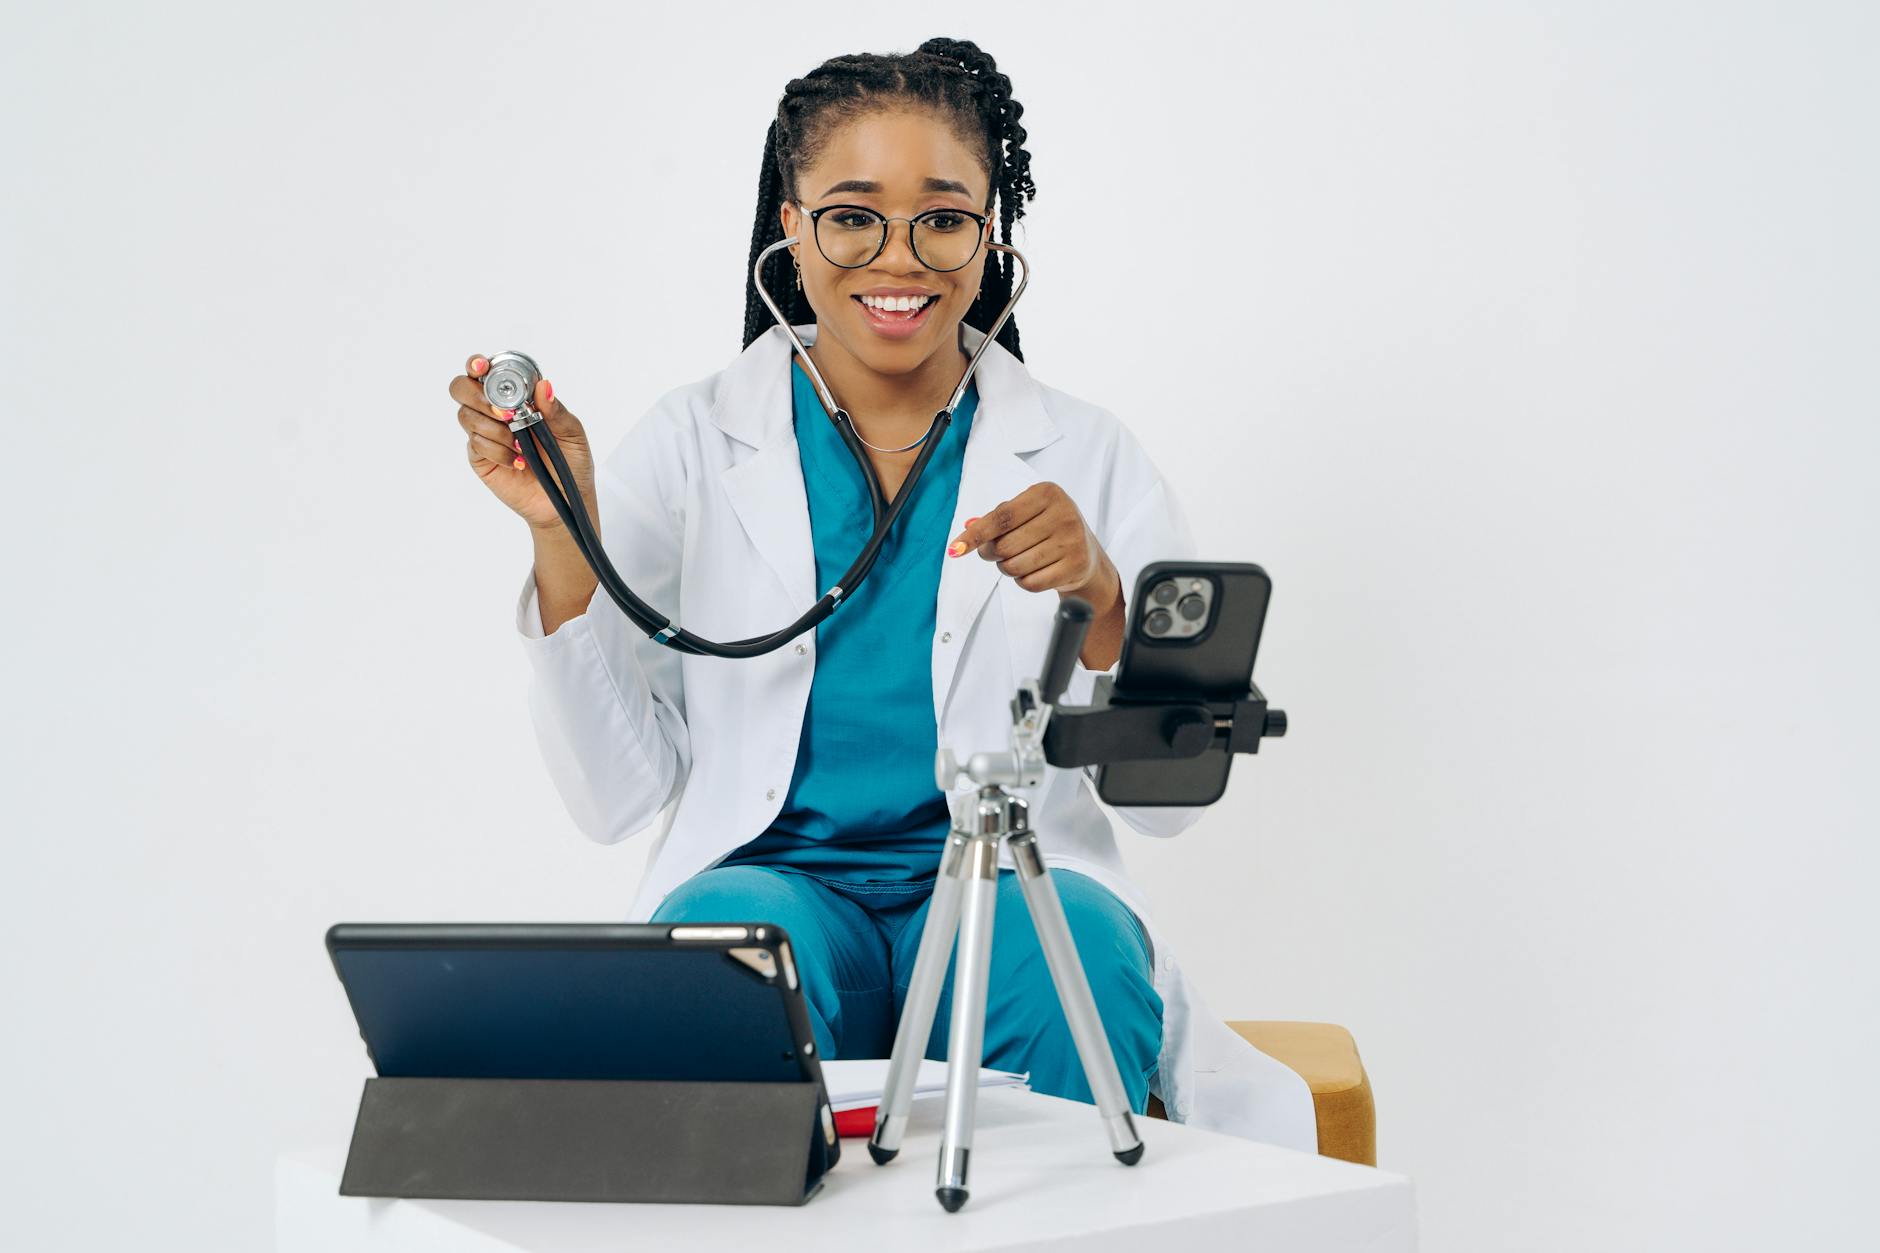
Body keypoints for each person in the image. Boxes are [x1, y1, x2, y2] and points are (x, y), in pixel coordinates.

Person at [447, 37, 1315, 1149]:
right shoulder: (693, 443)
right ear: (787, 226)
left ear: (989, 236)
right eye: (851, 214)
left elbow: (1168, 804)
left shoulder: (1085, 454)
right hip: (778, 882)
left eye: (942, 217)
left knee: (1070, 961)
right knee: (722, 955)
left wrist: (1103, 599)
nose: (897, 257)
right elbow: (615, 794)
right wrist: (558, 534)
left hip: (1011, 884)